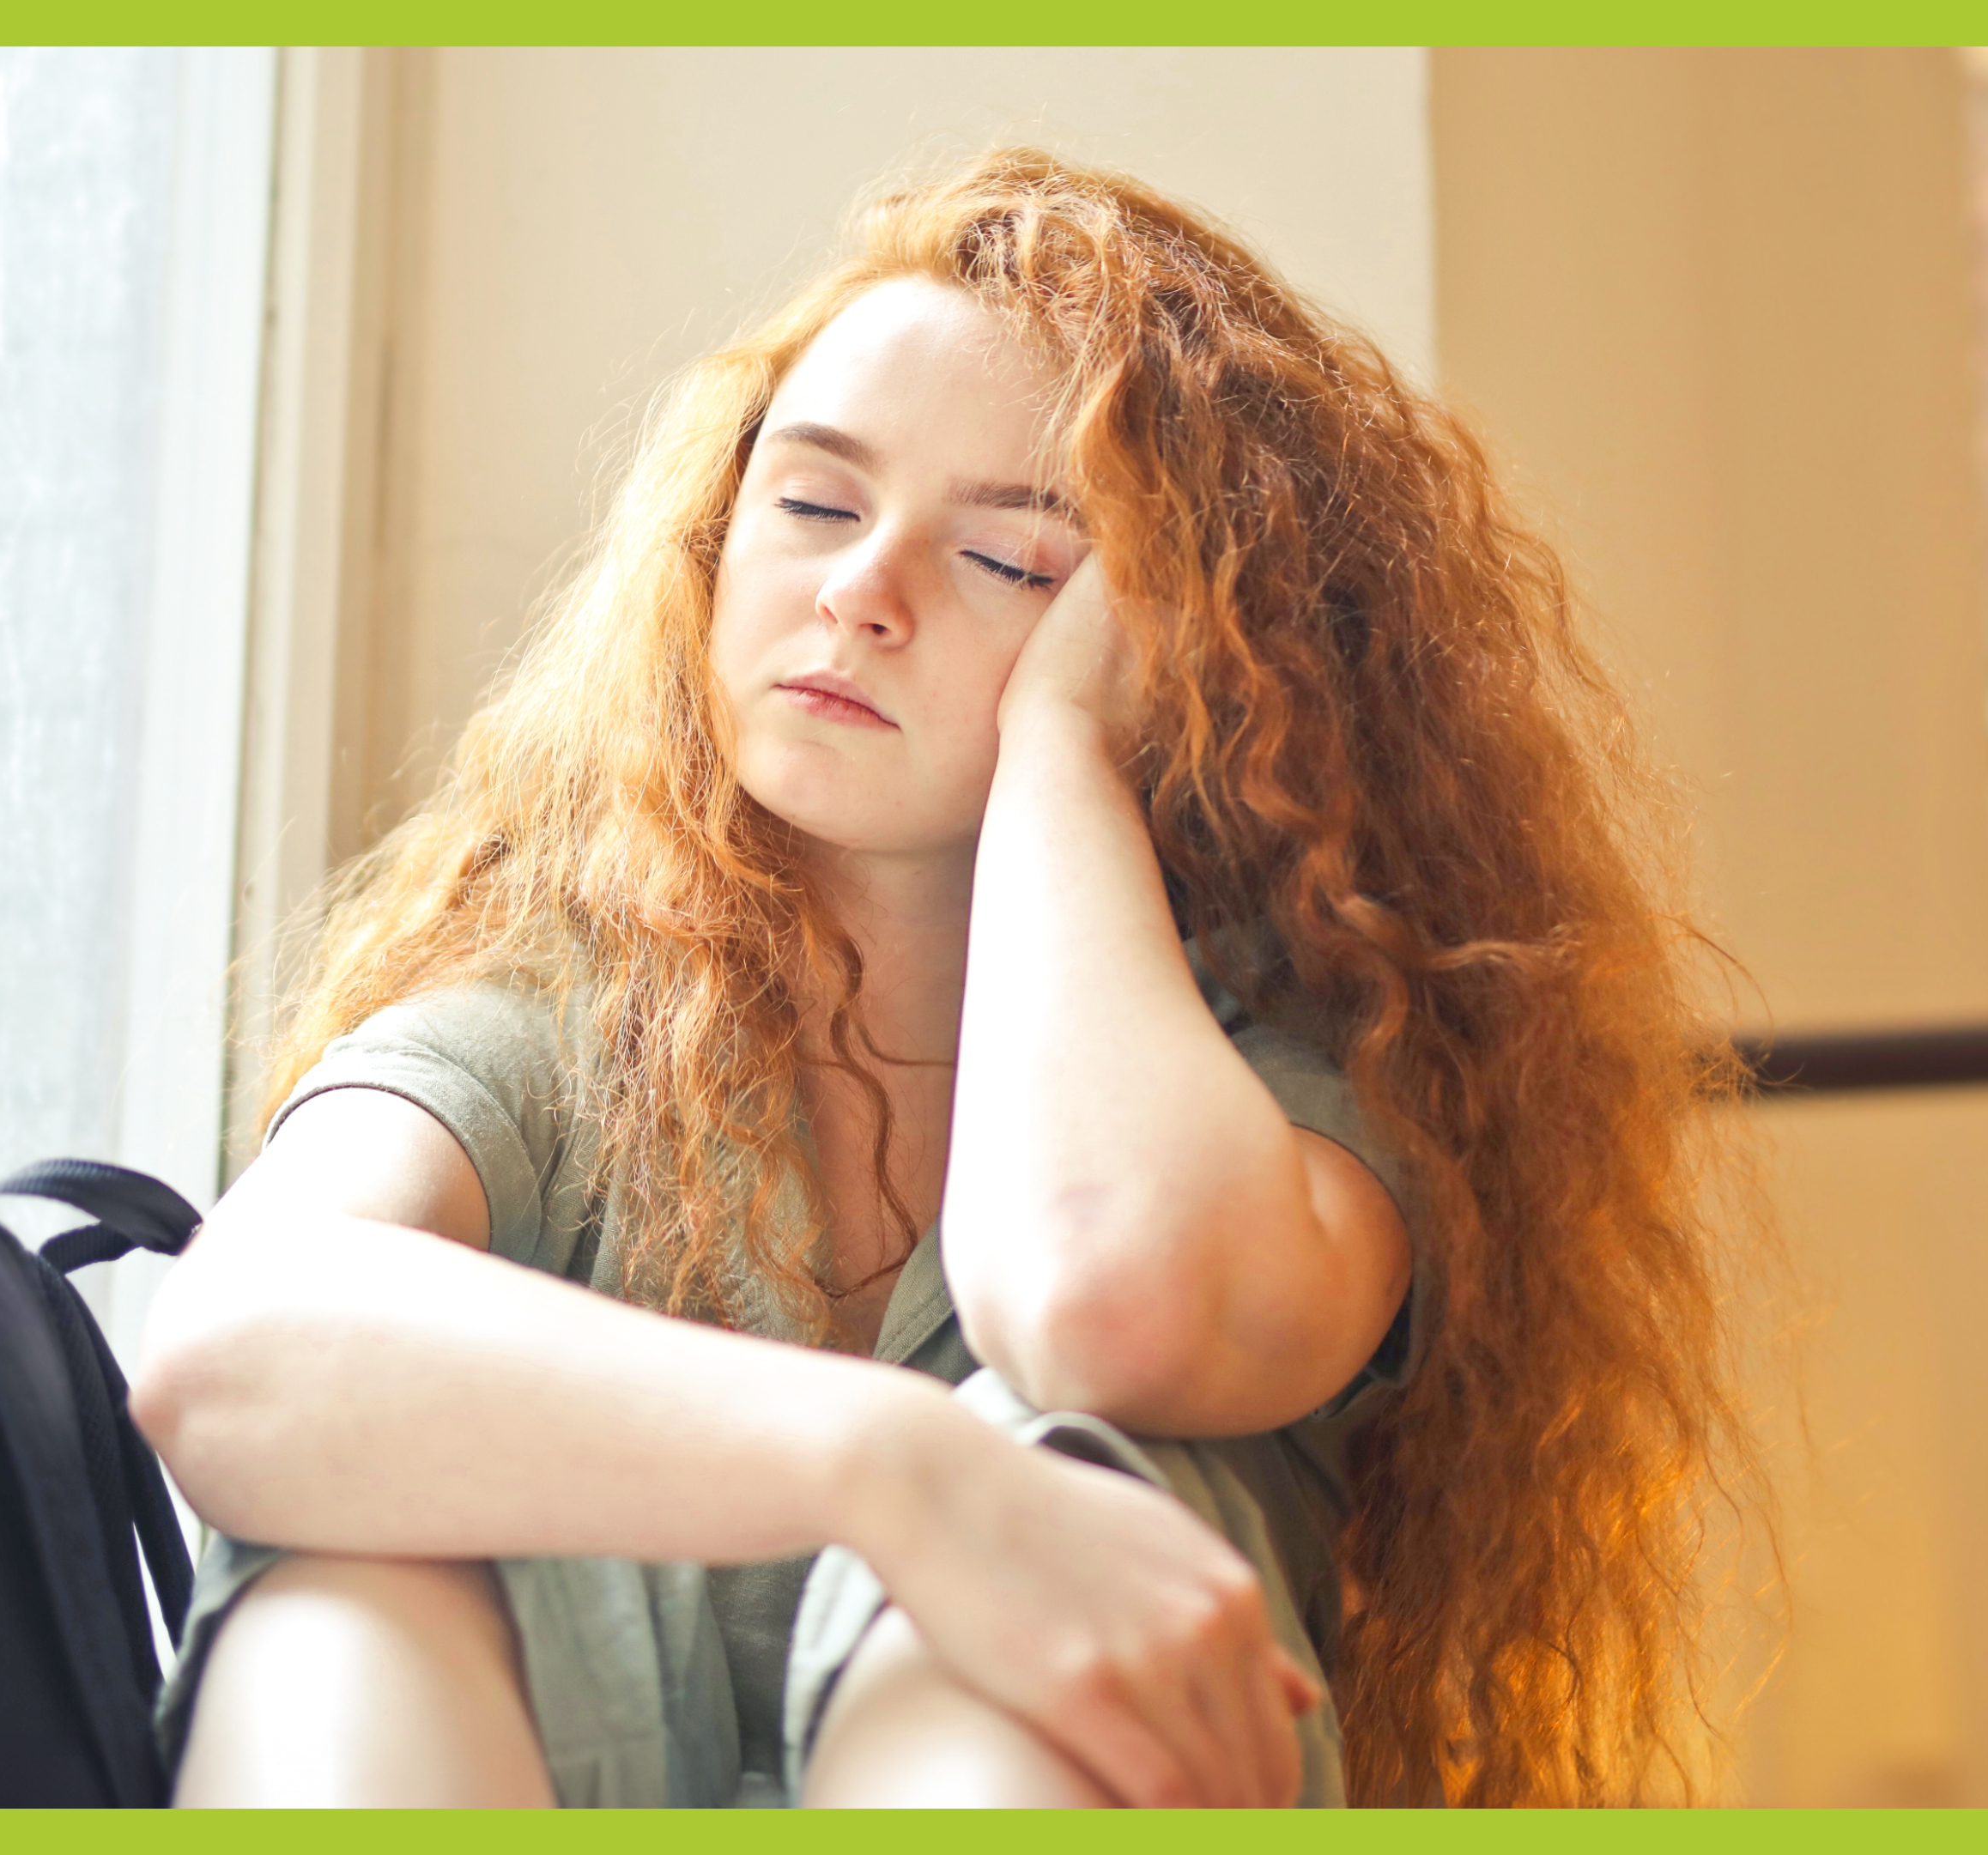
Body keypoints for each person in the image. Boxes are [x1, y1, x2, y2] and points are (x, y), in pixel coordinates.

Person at [130, 148, 1758, 1810]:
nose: (857, 590)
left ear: (1184, 657)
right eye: (815, 502)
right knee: (339, 1596)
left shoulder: (1288, 1094)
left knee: (1048, 1535)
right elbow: (224, 1348)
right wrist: (886, 1466)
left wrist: (1061, 747)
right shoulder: (559, 1015)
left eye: (1014, 563)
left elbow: (1104, 1298)